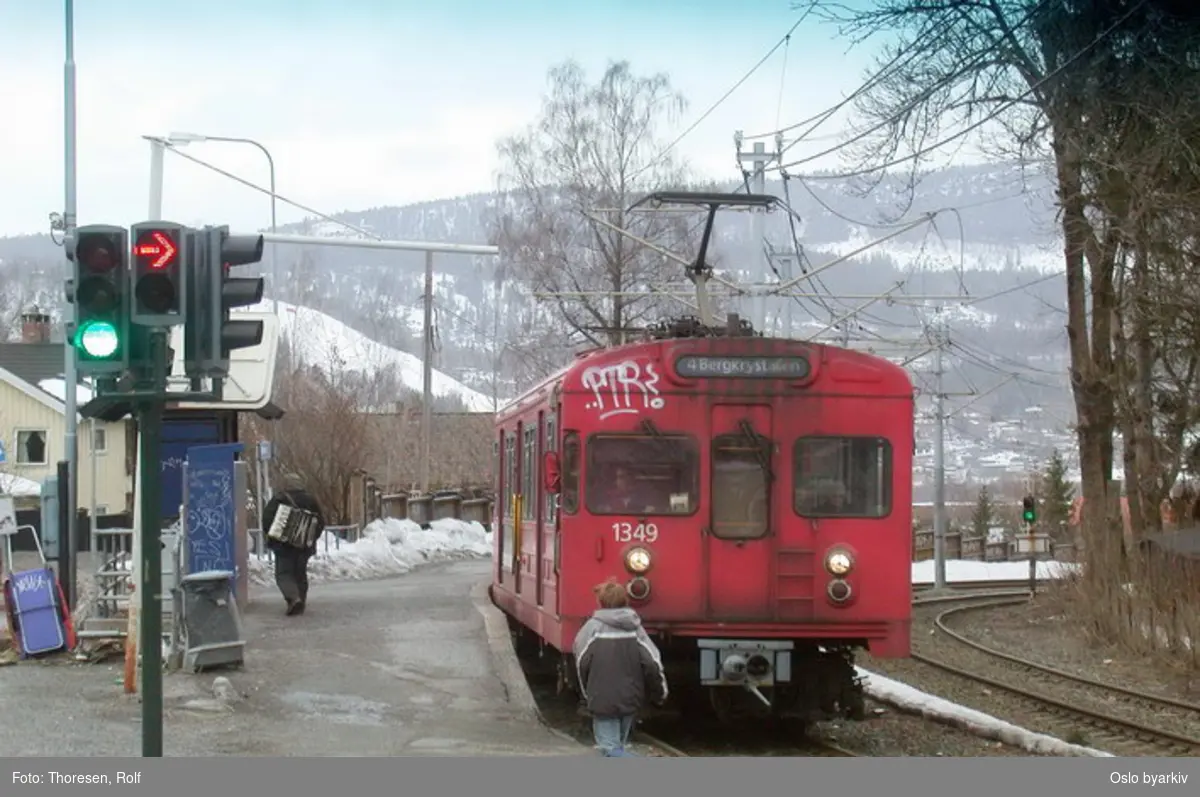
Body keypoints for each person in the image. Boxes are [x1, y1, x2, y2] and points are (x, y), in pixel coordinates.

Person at [572, 579, 668, 757]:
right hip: (630, 700)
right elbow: (652, 663)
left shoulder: (591, 629)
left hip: (601, 699)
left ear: (600, 602)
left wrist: (587, 694)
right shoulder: (635, 629)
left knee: (610, 750)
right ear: (625, 601)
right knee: (619, 747)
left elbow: (581, 664)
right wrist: (660, 693)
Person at [262, 472, 326, 616]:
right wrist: (310, 538)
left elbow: (267, 520)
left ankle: (293, 598)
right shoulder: (310, 500)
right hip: (303, 546)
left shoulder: (279, 499)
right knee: (300, 574)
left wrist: (274, 537)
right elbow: (320, 522)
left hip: (283, 546)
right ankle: (300, 601)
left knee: (284, 574)